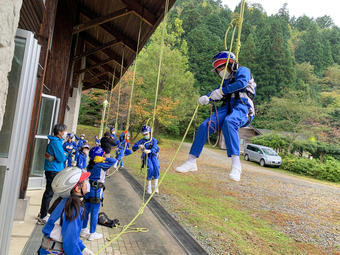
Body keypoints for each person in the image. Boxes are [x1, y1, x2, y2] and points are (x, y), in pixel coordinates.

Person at [176, 51, 256, 182]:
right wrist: (207, 97)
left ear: (229, 64)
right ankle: (191, 161)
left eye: (220, 68)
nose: (219, 72)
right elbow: (217, 92)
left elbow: (241, 83)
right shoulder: (225, 82)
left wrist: (222, 91)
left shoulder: (243, 71)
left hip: (243, 106)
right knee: (204, 126)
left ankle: (236, 165)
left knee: (230, 122)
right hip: (227, 108)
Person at [38, 167, 95, 255]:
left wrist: (83, 249)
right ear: (77, 189)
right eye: (85, 180)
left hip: (49, 249)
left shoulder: (65, 200)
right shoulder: (73, 207)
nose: (88, 182)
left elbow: (72, 237)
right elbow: (70, 242)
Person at [81, 146, 116, 240]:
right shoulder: (100, 165)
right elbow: (113, 161)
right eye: (102, 155)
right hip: (96, 191)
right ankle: (92, 233)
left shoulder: (90, 165)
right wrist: (104, 159)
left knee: (86, 210)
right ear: (99, 156)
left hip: (88, 189)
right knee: (95, 212)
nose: (103, 156)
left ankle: (83, 229)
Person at [37, 124, 67, 225]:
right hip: (53, 170)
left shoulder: (57, 142)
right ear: (59, 132)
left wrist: (62, 155)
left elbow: (58, 156)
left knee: (49, 192)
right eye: (64, 131)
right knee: (49, 193)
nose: (65, 133)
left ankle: (43, 212)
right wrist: (64, 155)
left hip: (53, 169)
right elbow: (61, 158)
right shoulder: (56, 143)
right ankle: (43, 215)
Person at [132, 125, 160, 194]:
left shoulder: (153, 140)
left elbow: (156, 147)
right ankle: (149, 186)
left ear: (150, 132)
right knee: (150, 168)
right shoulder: (141, 141)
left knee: (156, 167)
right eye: (144, 134)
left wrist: (150, 151)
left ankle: (156, 185)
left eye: (146, 134)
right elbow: (133, 148)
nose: (145, 135)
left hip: (153, 155)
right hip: (146, 156)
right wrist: (138, 146)